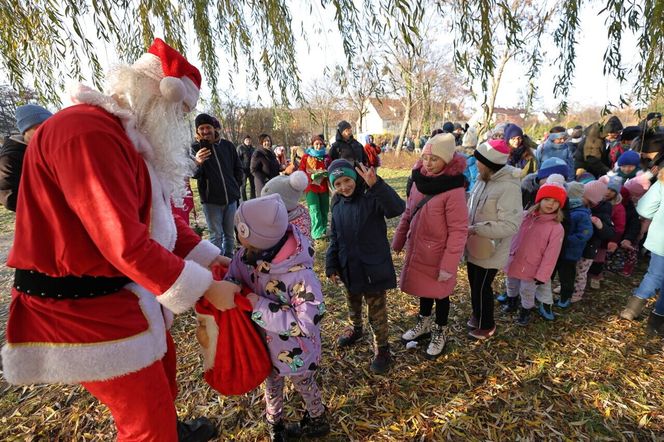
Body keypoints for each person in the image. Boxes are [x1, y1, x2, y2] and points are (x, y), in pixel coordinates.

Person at [0, 38, 238, 441]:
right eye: (179, 113)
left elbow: (159, 222)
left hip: (120, 291)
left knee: (163, 375)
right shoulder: (88, 133)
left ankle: (170, 428)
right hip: (84, 304)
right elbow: (122, 240)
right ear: (156, 97)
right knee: (145, 419)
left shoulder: (127, 140)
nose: (181, 125)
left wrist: (208, 259)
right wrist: (207, 288)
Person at [224, 194, 330, 440]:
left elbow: (307, 321)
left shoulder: (300, 275)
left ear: (251, 235)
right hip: (262, 346)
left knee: (305, 385)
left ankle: (317, 419)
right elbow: (234, 273)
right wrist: (228, 285)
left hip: (296, 351)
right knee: (271, 386)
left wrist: (259, 306)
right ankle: (275, 425)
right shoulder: (247, 256)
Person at [325, 159, 405, 374]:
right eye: (338, 183)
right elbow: (335, 237)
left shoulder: (371, 196)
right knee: (352, 302)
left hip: (372, 267)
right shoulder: (337, 203)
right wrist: (331, 264)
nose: (344, 186)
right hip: (348, 267)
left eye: (347, 180)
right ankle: (356, 329)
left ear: (355, 177)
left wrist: (376, 184)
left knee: (376, 311)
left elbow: (397, 208)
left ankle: (382, 348)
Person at [393, 134, 468, 358]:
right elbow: (409, 212)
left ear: (447, 160)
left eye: (434, 159)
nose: (428, 163)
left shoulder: (454, 189)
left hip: (439, 254)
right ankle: (423, 323)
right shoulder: (419, 181)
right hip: (419, 249)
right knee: (424, 290)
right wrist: (398, 238)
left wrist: (449, 264)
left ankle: (440, 330)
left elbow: (458, 230)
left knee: (440, 294)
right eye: (426, 157)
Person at [466, 140, 523, 339]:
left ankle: (487, 324)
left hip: (491, 247)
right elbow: (473, 206)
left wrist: (476, 229)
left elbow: (511, 225)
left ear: (490, 164)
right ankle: (477, 314)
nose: (475, 164)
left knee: (482, 287)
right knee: (474, 283)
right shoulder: (483, 179)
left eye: (479, 161)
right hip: (475, 244)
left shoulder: (508, 187)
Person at [504, 182, 565, 325]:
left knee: (527, 291)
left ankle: (525, 311)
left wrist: (543, 275)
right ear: (539, 200)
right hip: (514, 259)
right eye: (547, 199)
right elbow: (510, 235)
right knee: (511, 283)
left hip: (532, 267)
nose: (551, 204)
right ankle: (511, 302)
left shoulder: (556, 228)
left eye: (556, 202)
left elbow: (552, 254)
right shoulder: (525, 217)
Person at [619, 169, 664, 335]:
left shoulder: (662, 181)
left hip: (662, 238)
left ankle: (631, 309)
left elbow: (645, 209)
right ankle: (658, 319)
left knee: (655, 274)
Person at [192, 113, 243, 257]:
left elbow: (238, 168)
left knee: (229, 235)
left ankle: (229, 261)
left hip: (230, 199)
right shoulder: (195, 148)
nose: (205, 131)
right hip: (211, 201)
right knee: (216, 235)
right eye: (201, 128)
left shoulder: (227, 146)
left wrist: (235, 185)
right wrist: (197, 162)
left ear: (214, 128)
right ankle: (217, 264)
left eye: (208, 127)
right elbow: (193, 174)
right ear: (197, 131)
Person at [0, 104, 53, 211]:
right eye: (39, 128)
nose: (45, 131)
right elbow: (10, 199)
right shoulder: (9, 160)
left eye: (48, 126)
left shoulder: (45, 148)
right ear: (25, 130)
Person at [570, 180, 615, 303]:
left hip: (589, 248)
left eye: (583, 196)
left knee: (581, 271)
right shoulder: (579, 205)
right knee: (570, 268)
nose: (580, 198)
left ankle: (577, 293)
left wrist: (599, 225)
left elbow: (609, 232)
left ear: (593, 199)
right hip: (576, 245)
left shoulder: (603, 211)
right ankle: (567, 287)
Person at [553, 182, 593, 308]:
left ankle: (565, 297)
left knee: (567, 276)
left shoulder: (581, 214)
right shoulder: (562, 209)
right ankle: (547, 295)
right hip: (557, 249)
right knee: (552, 273)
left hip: (570, 252)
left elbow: (585, 233)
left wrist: (567, 239)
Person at [261, 171, 312, 240]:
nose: (265, 208)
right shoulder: (280, 216)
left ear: (284, 204)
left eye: (268, 204)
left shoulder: (298, 228)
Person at [299, 135, 331, 240]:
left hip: (324, 187)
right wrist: (311, 176)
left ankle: (323, 230)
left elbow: (331, 169)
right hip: (311, 188)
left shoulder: (327, 157)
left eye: (321, 144)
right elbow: (301, 172)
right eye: (316, 144)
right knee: (314, 210)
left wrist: (327, 173)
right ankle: (316, 233)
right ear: (312, 145)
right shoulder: (306, 157)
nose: (319, 146)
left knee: (324, 209)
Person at [237, 135, 256, 200]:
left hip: (252, 169)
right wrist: (240, 168)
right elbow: (237, 159)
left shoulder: (253, 149)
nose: (248, 141)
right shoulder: (240, 148)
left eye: (249, 140)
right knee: (243, 185)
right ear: (244, 141)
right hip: (243, 170)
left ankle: (253, 198)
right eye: (247, 140)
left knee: (253, 184)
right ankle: (244, 200)